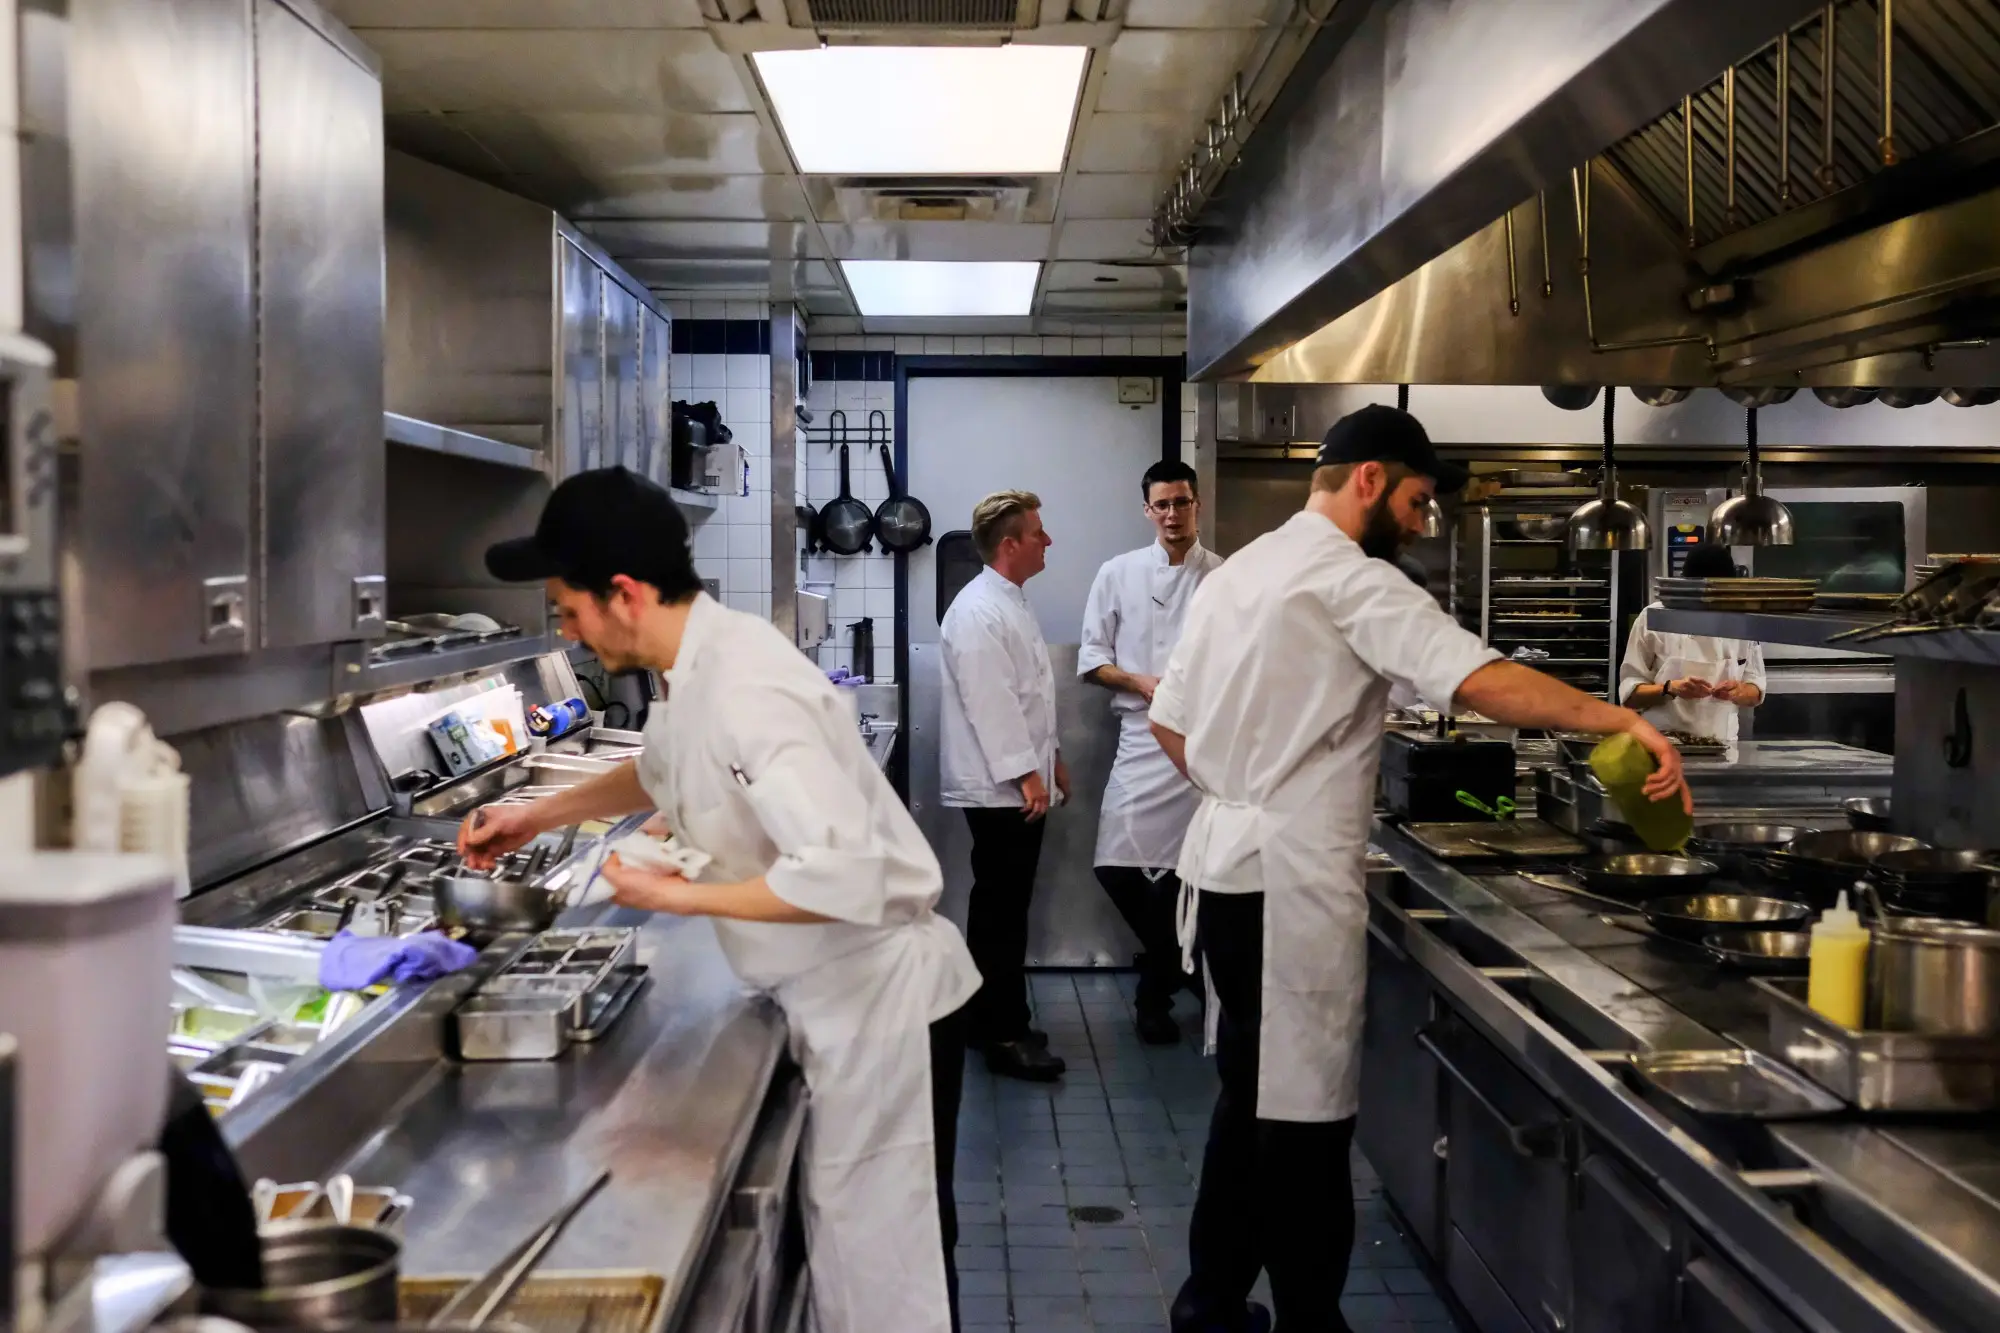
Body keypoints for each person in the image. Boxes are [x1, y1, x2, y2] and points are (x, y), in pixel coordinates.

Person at [1148, 405, 1690, 1333]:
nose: (1417, 517)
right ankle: (1309, 1319)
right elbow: (1481, 682)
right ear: (1368, 478)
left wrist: (1245, 782)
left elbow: (1170, 720)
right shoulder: (1349, 580)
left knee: (1250, 1100)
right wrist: (1620, 719)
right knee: (1304, 1117)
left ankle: (1210, 1302)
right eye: (1415, 498)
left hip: (1228, 871)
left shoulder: (1241, 572)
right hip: (1287, 885)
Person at [458, 467, 979, 1333]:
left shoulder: (746, 684)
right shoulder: (691, 667)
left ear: (622, 594)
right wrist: (533, 813)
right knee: (860, 1264)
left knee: (887, 1277)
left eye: (567, 607)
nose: (566, 629)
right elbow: (659, 764)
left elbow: (848, 870)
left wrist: (680, 895)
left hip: (882, 1009)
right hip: (831, 998)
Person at [1079, 459, 1222, 1044]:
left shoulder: (1223, 578)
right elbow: (1092, 660)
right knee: (1114, 864)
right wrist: (1141, 683)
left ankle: (1154, 995)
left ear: (1197, 505)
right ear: (1147, 510)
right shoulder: (1117, 573)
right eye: (1161, 504)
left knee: (1189, 874)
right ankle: (1182, 966)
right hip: (1140, 738)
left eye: (1181, 502)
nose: (1171, 514)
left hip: (1200, 744)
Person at [938, 490, 1068, 1081]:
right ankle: (1004, 1035)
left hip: (1014, 780)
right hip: (999, 789)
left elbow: (1031, 695)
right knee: (1001, 912)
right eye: (1038, 533)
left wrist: (1052, 757)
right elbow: (991, 705)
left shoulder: (1009, 602)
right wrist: (1026, 774)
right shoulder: (976, 611)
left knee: (1001, 908)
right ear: (1010, 544)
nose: (1048, 541)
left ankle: (987, 1018)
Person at [1621, 542, 1766, 747]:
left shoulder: (1741, 621)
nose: (1709, 604)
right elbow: (1630, 696)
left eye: (1718, 595)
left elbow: (1756, 690)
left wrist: (1738, 691)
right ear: (1685, 588)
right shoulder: (1654, 618)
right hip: (1659, 745)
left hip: (1721, 747)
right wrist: (1670, 688)